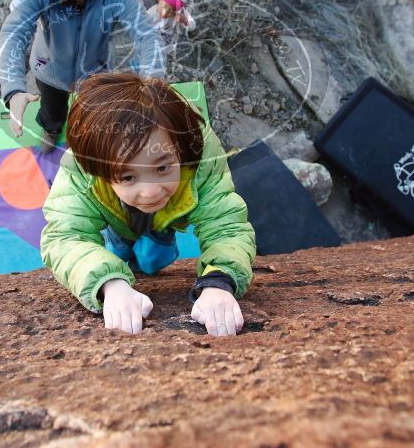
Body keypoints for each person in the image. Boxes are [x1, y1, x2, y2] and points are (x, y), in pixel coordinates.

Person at [40, 72, 255, 337]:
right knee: (115, 253)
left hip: (165, 220)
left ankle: (149, 242)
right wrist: (110, 283)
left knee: (153, 263)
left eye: (163, 167)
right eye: (128, 176)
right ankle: (121, 254)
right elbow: (65, 235)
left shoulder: (200, 153)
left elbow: (225, 225)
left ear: (179, 149)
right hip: (116, 219)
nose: (151, 192)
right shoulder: (82, 167)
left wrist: (219, 282)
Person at [0, 0, 165, 152]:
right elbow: (14, 33)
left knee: (95, 113)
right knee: (52, 109)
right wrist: (13, 89)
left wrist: (153, 83)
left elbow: (146, 33)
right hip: (49, 70)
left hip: (96, 71)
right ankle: (52, 128)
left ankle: (91, 140)